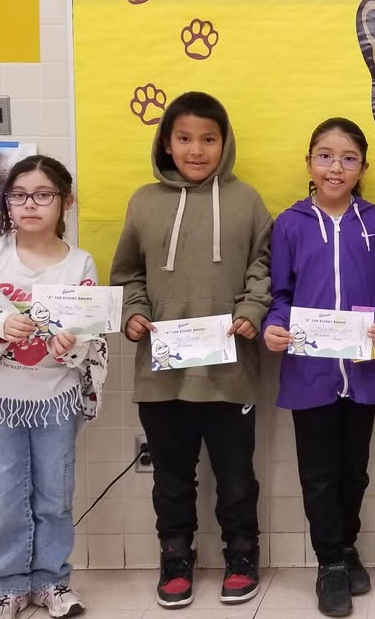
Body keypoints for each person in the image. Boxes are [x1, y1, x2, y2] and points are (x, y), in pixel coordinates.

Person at [109, 91, 273, 609]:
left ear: (225, 144)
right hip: (162, 370)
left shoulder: (247, 201)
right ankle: (175, 556)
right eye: (184, 138)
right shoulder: (143, 201)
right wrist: (134, 314)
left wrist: (250, 312)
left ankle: (241, 554)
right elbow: (127, 273)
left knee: (235, 473)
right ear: (166, 142)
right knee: (172, 475)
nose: (196, 150)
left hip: (229, 366)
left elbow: (263, 267)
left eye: (208, 139)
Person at [0, 155, 108, 619]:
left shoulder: (80, 262)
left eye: (44, 194)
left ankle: (51, 581)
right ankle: (8, 584)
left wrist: (74, 341)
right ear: (6, 202)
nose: (30, 204)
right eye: (19, 195)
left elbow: (90, 333)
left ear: (65, 202)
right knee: (4, 493)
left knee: (54, 493)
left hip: (56, 399)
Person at [262, 117, 375, 617]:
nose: (335, 167)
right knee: (318, 474)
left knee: (354, 472)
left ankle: (346, 547)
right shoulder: (290, 223)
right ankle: (330, 563)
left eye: (347, 158)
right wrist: (273, 328)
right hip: (309, 371)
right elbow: (280, 294)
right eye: (325, 155)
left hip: (361, 368)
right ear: (309, 163)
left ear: (363, 166)